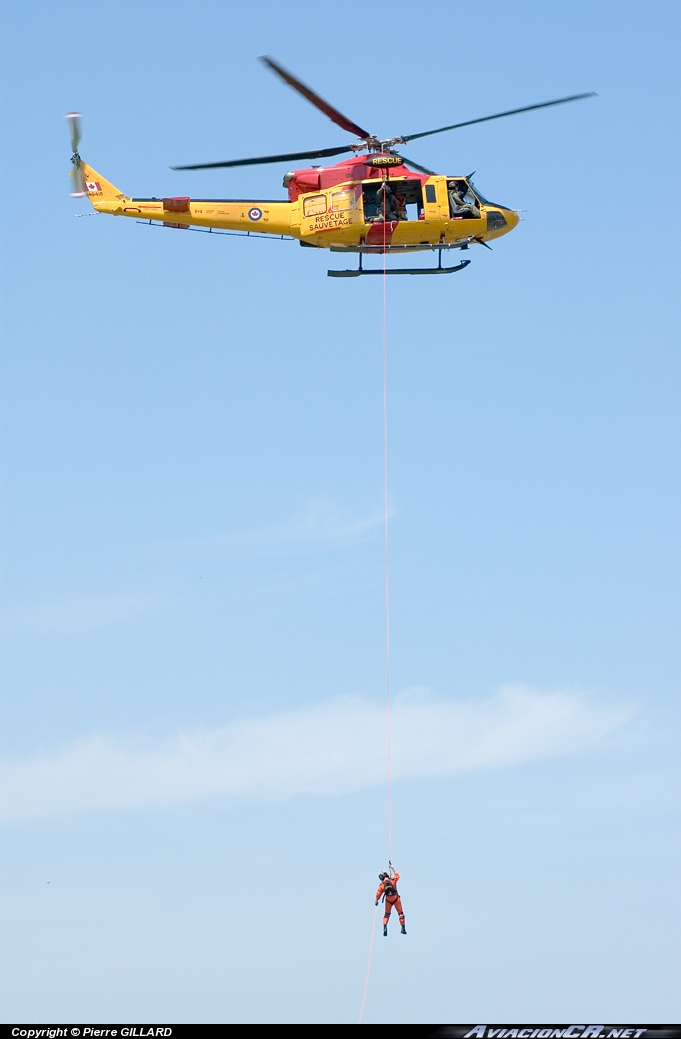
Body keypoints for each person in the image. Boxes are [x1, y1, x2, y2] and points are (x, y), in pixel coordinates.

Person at [375, 867, 407, 936]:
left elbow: (378, 894)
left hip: (388, 900)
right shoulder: (392, 880)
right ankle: (403, 928)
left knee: (387, 914)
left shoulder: (382, 885)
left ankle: (385, 927)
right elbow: (398, 876)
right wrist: (393, 868)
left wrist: (377, 900)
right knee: (400, 913)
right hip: (396, 899)